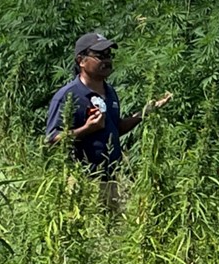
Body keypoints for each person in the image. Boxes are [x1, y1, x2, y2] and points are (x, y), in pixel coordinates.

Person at [45, 30, 172, 184]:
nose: (107, 60)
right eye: (100, 56)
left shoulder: (110, 91)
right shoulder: (68, 96)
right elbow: (52, 140)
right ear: (81, 61)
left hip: (113, 179)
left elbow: (115, 128)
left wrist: (145, 112)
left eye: (108, 55)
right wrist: (87, 129)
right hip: (82, 181)